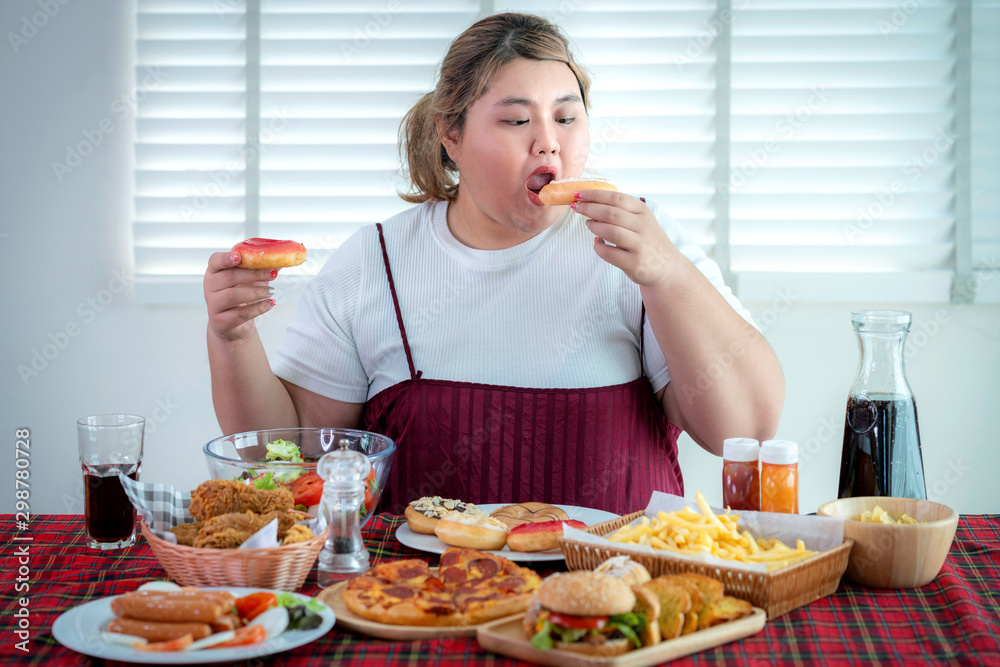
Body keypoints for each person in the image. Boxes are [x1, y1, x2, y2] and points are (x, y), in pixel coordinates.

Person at [203, 13, 784, 515]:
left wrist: (668, 274)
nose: (548, 144)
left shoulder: (645, 243)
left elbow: (746, 430)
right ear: (450, 135)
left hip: (614, 603)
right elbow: (286, 454)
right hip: (421, 604)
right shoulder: (373, 262)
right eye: (515, 120)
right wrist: (231, 335)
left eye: (566, 116)